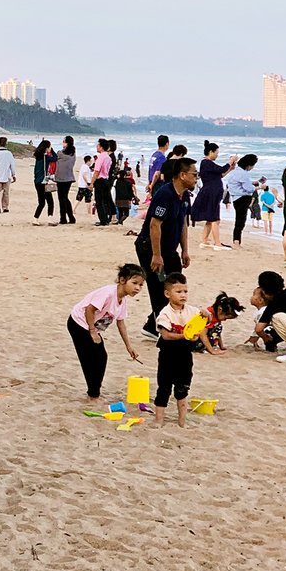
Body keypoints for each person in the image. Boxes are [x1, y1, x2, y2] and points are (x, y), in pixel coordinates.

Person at [135, 155, 197, 336]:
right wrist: (156, 254)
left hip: (170, 249)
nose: (196, 178)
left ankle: (150, 324)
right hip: (150, 247)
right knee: (159, 288)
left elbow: (183, 223)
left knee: (175, 285)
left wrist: (185, 250)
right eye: (194, 174)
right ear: (182, 175)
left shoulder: (184, 195)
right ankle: (162, 330)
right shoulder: (165, 194)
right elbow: (155, 224)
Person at [66, 263, 145, 400]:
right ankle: (93, 393)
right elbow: (89, 309)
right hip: (78, 323)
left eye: (141, 285)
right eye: (134, 283)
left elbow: (121, 323)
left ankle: (94, 390)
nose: (137, 288)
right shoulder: (108, 293)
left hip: (92, 327)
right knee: (89, 358)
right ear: (122, 280)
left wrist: (129, 347)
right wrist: (92, 331)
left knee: (102, 357)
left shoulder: (123, 300)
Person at [154, 273, 194, 428]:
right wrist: (184, 335)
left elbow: (205, 319)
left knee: (183, 388)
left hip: (185, 354)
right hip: (168, 354)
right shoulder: (165, 313)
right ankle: (159, 419)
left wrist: (206, 315)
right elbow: (166, 335)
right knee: (164, 387)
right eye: (178, 292)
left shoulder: (191, 311)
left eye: (185, 291)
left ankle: (182, 421)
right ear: (167, 294)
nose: (183, 295)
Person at [192, 142, 235, 249]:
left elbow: (220, 175)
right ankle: (217, 243)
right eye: (216, 153)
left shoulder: (208, 164)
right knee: (214, 218)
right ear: (211, 152)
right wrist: (230, 162)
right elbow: (221, 170)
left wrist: (230, 169)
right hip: (211, 192)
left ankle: (205, 240)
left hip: (212, 191)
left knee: (210, 218)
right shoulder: (206, 162)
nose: (217, 155)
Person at [223, 154, 259, 248]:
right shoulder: (244, 173)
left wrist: (251, 183)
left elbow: (236, 184)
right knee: (240, 221)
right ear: (249, 165)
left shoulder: (235, 172)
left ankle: (236, 241)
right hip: (242, 199)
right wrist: (259, 187)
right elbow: (249, 189)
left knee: (239, 220)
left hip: (235, 198)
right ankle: (236, 242)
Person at [32, 140, 56, 223]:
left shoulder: (38, 156)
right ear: (46, 148)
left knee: (41, 202)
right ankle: (50, 219)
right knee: (50, 202)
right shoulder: (46, 157)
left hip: (37, 181)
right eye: (49, 147)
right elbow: (55, 158)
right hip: (43, 182)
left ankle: (35, 218)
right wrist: (52, 150)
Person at [55, 136, 77, 225]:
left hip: (61, 178)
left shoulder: (60, 153)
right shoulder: (73, 153)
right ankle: (71, 217)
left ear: (67, 143)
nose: (62, 143)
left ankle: (63, 218)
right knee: (65, 198)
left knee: (62, 198)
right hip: (69, 178)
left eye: (64, 142)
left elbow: (57, 156)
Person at [92, 139, 114, 226]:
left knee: (99, 201)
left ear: (101, 147)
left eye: (98, 145)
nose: (97, 147)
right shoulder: (108, 157)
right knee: (104, 201)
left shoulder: (100, 157)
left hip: (100, 180)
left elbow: (96, 171)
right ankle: (106, 219)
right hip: (106, 180)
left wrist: (91, 183)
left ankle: (103, 220)